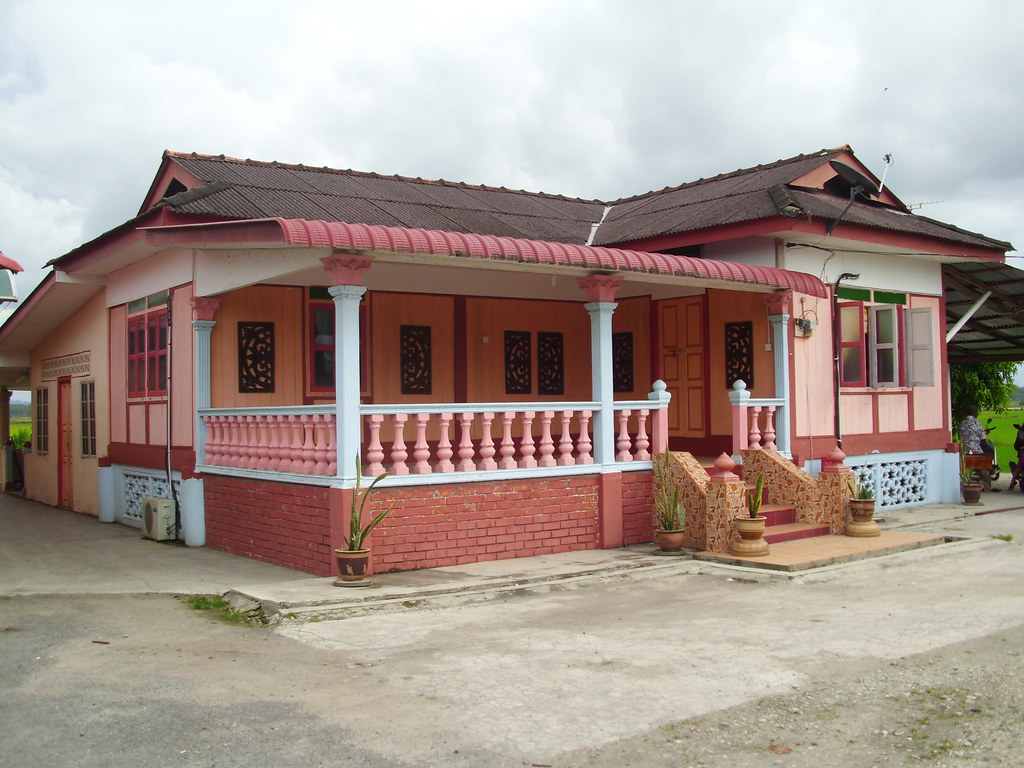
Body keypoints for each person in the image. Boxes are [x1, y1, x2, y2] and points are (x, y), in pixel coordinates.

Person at [959, 406, 992, 492]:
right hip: (975, 450)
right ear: (974, 413)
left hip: (963, 450)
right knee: (983, 467)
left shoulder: (962, 422)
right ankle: (987, 487)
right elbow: (983, 438)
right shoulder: (976, 423)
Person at [1007, 424, 1024, 492]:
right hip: (1023, 449)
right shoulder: (1021, 430)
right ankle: (1012, 482)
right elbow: (1021, 437)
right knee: (1021, 463)